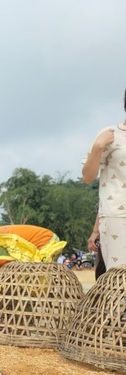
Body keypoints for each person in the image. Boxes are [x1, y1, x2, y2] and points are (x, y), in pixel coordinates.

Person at [82, 91, 126, 269]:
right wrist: (98, 146)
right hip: (118, 216)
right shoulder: (111, 135)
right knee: (120, 281)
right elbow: (88, 177)